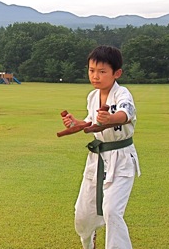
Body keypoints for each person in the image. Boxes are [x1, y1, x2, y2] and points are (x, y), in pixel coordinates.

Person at [61, 45, 140, 249]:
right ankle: (89, 243)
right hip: (97, 160)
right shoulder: (92, 97)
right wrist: (76, 123)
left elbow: (125, 114)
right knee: (83, 215)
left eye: (102, 71)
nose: (95, 76)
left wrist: (110, 118)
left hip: (121, 159)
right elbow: (91, 121)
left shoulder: (123, 93)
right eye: (91, 70)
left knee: (112, 211)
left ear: (117, 73)